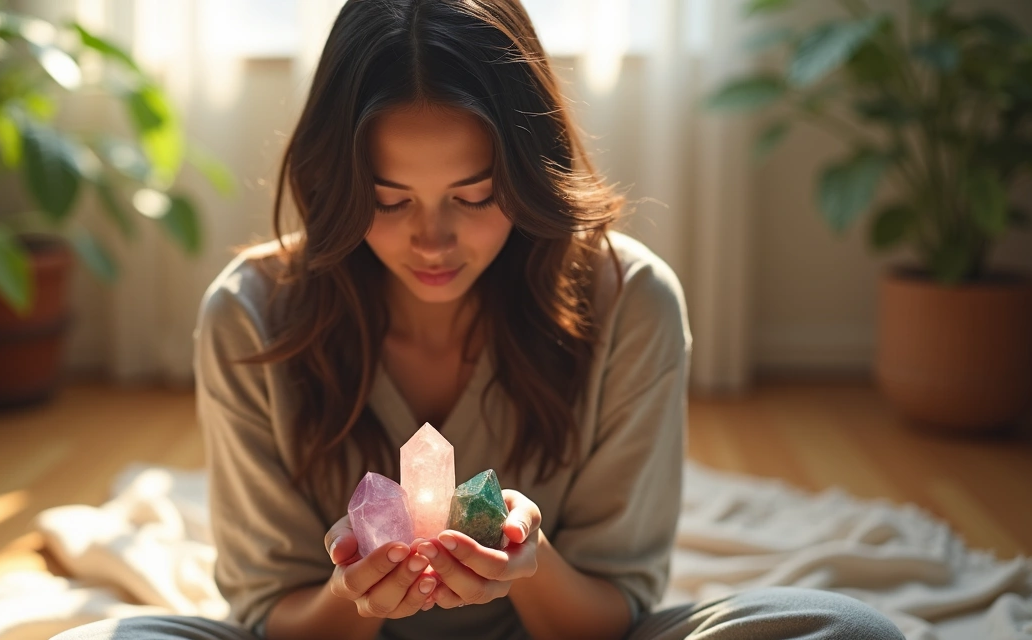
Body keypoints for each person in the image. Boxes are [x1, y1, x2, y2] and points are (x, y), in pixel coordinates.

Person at [53, 1, 908, 639]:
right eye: (388, 201)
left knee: (846, 629)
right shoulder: (252, 313)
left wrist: (527, 569)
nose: (433, 239)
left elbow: (614, 614)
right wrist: (356, 594)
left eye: (474, 195)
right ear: (338, 187)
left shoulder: (632, 302)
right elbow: (273, 623)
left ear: (531, 176)